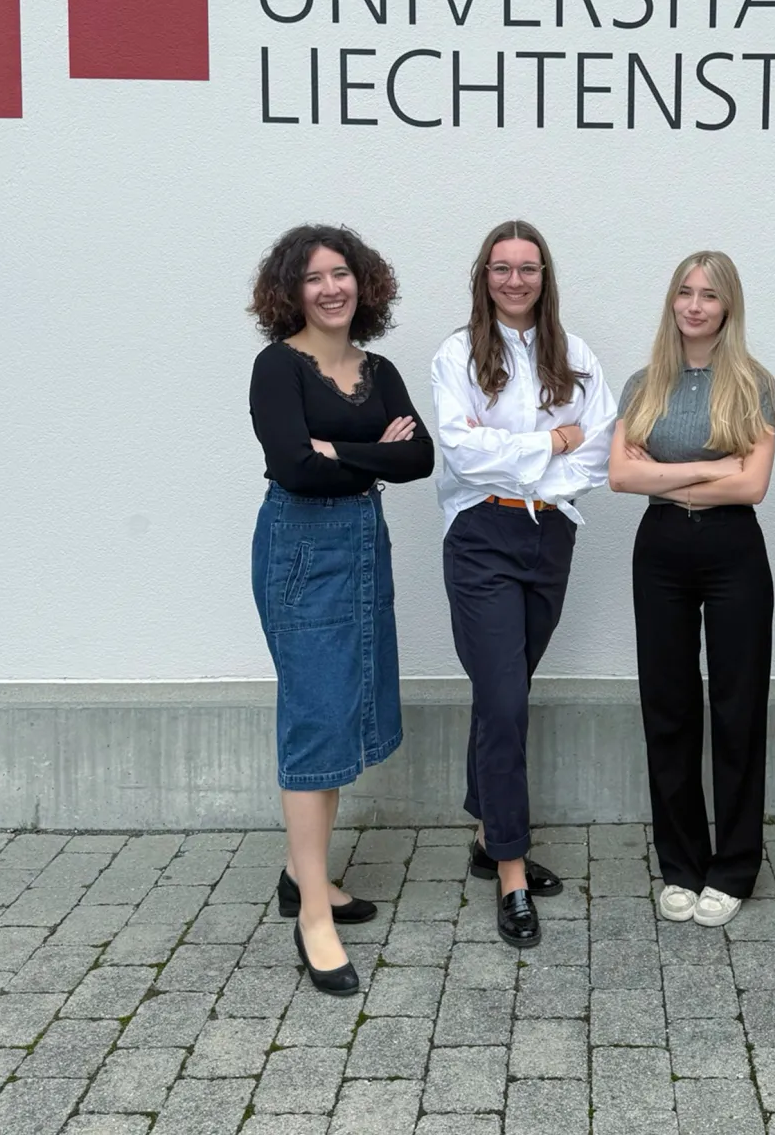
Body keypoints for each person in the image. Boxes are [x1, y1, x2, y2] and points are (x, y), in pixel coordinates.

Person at [248, 224, 434, 995]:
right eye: (315, 278)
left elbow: (419, 458)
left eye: (342, 274)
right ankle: (313, 920)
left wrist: (337, 451)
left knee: (343, 711)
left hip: (362, 544)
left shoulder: (378, 370)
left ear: (365, 283)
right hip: (301, 551)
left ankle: (305, 876)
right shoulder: (277, 367)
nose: (331, 289)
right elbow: (293, 468)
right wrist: (362, 454)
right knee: (315, 718)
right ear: (291, 291)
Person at [430, 219, 616, 948]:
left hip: (550, 534)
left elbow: (600, 447)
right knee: (505, 700)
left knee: (502, 694)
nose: (515, 280)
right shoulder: (457, 354)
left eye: (528, 268)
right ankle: (510, 872)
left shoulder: (575, 356)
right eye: (501, 268)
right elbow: (462, 453)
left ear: (545, 277)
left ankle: (489, 834)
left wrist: (526, 459)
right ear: (484, 275)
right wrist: (550, 441)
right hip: (481, 535)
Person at [609, 252, 775, 928]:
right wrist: (713, 469)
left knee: (738, 709)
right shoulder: (643, 384)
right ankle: (680, 863)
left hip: (734, 550)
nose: (696, 305)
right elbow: (620, 477)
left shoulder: (754, 383)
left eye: (709, 294)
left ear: (728, 305)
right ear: (672, 301)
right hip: (660, 552)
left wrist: (665, 474)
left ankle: (733, 868)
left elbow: (753, 486)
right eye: (685, 292)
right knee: (669, 706)